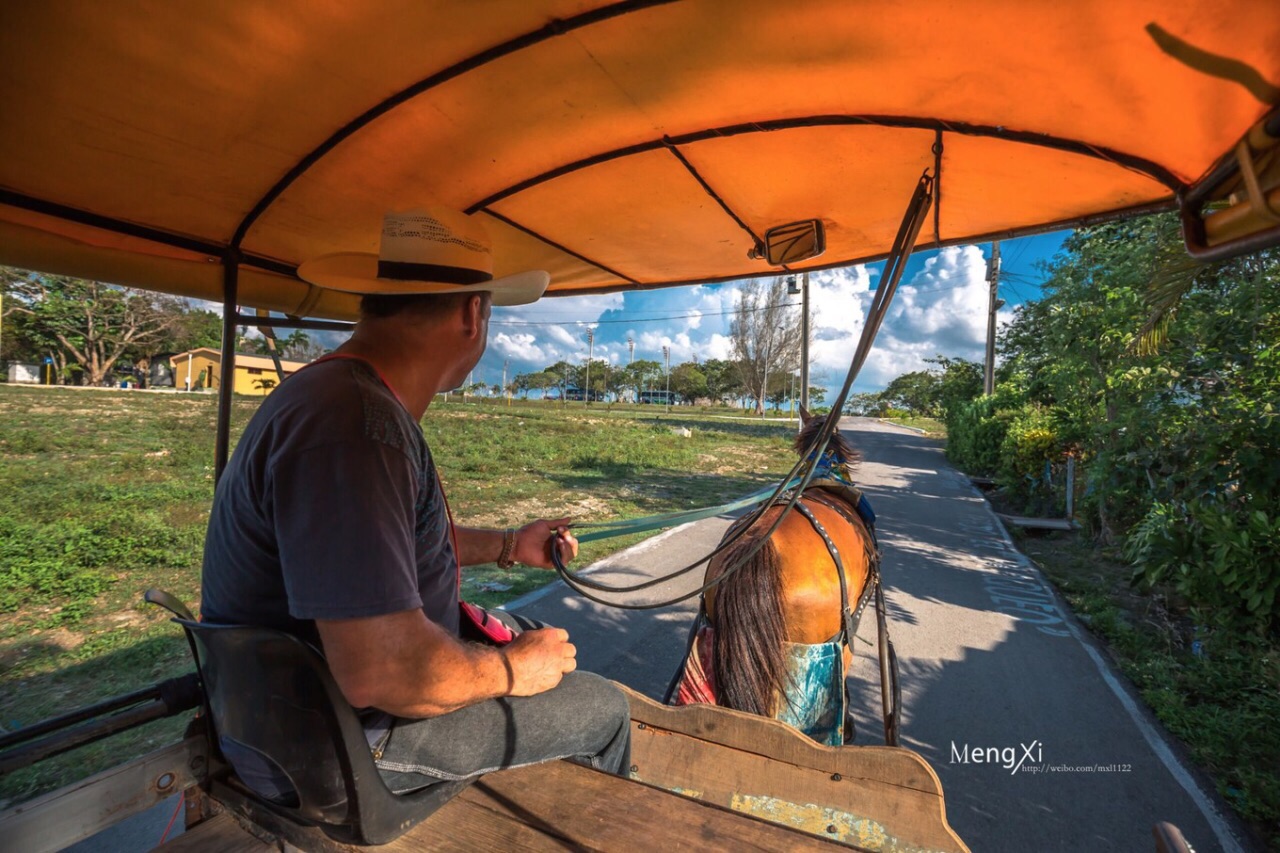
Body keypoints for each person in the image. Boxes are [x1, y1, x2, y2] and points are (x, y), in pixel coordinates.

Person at [200, 207, 630, 794]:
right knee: (603, 709)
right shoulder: (356, 428)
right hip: (340, 746)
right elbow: (384, 672)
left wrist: (510, 545)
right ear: (473, 313)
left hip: (294, 712)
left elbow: (379, 551)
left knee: (533, 628)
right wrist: (512, 669)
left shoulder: (339, 396)